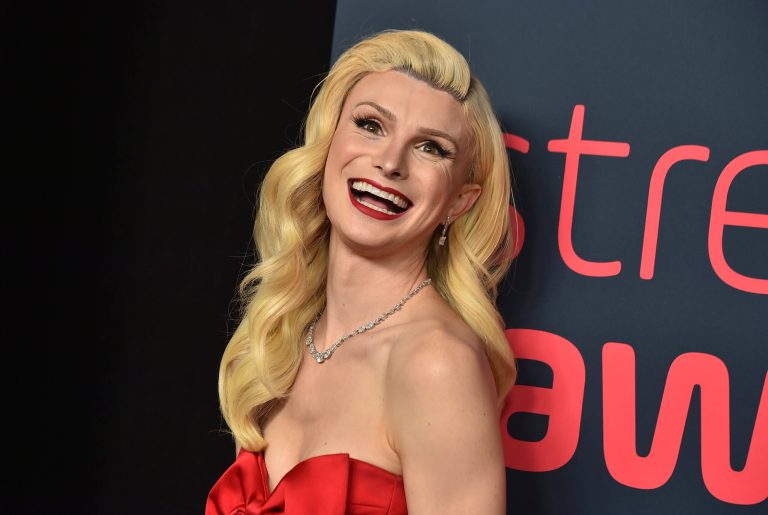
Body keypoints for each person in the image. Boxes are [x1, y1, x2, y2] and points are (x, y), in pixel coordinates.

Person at [206, 29, 517, 514]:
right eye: (371, 125)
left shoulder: (436, 364)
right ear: (329, 144)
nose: (390, 162)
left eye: (431, 148)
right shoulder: (287, 337)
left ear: (459, 201)